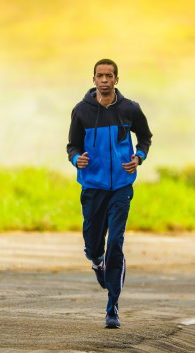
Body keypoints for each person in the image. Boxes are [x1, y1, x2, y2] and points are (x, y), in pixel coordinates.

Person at [66, 59, 153, 329]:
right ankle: (97, 260)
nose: (104, 80)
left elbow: (146, 138)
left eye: (109, 76)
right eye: (100, 76)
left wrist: (138, 157)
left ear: (117, 80)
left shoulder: (130, 109)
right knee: (94, 245)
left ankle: (112, 306)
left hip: (121, 187)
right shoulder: (81, 111)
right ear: (93, 79)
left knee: (116, 241)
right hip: (93, 186)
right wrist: (75, 159)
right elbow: (72, 146)